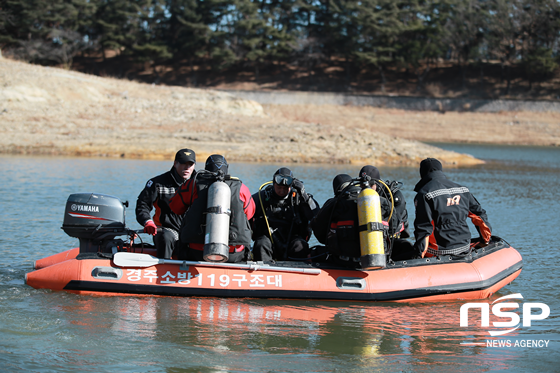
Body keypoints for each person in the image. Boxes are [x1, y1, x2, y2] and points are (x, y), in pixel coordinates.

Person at [168, 154, 255, 263]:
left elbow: (175, 208)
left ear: (206, 168)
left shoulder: (192, 184)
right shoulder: (241, 187)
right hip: (233, 253)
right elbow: (250, 213)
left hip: (196, 251)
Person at [413, 158, 492, 258]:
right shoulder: (463, 190)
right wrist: (485, 241)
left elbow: (424, 228)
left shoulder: (425, 194)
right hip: (464, 248)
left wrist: (419, 256)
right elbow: (479, 215)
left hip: (438, 253)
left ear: (422, 173)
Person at [136, 148, 196, 259]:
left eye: (190, 164)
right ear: (175, 163)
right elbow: (142, 205)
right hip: (165, 230)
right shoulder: (157, 183)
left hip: (191, 232)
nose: (187, 167)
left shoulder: (199, 184)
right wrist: (147, 222)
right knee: (166, 237)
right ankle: (164, 271)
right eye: (183, 163)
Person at [251, 167, 319, 262]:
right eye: (279, 188)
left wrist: (304, 194)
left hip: (293, 240)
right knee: (260, 244)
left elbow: (316, 215)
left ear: (291, 186)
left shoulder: (299, 198)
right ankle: (264, 272)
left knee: (300, 246)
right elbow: (245, 212)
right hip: (268, 240)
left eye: (285, 188)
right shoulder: (262, 197)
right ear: (273, 184)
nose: (282, 191)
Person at [358, 165, 415, 261]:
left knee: (408, 248)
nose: (366, 189)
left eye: (370, 185)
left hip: (392, 240)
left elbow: (394, 224)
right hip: (368, 239)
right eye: (362, 185)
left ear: (378, 183)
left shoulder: (394, 196)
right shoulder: (361, 196)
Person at [310, 174, 362, 267]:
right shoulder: (372, 202)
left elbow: (319, 232)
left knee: (310, 253)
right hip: (369, 258)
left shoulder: (334, 203)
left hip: (339, 259)